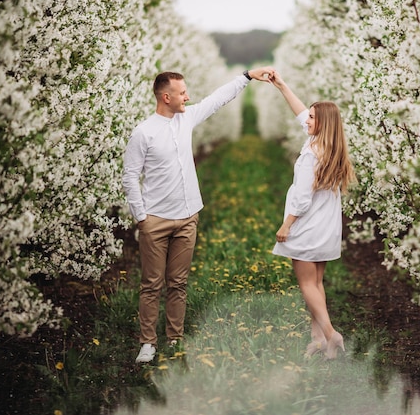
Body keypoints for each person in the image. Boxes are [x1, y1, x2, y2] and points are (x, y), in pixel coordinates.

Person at [123, 67, 274, 363]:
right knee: (152, 284)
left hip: (188, 215)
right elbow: (130, 177)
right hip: (156, 219)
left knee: (178, 282)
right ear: (166, 97)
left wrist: (246, 76)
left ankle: (175, 338)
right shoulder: (144, 132)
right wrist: (142, 217)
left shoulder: (186, 119)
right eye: (182, 93)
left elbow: (217, 100)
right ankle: (148, 342)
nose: (187, 97)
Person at [270, 71, 356, 359]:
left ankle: (331, 335)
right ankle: (317, 339)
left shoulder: (310, 154)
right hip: (327, 226)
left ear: (322, 124)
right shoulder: (330, 147)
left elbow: (303, 198)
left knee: (307, 285)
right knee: (316, 285)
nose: (306, 119)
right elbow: (302, 111)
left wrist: (287, 225)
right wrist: (282, 86)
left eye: (312, 118)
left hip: (307, 225)